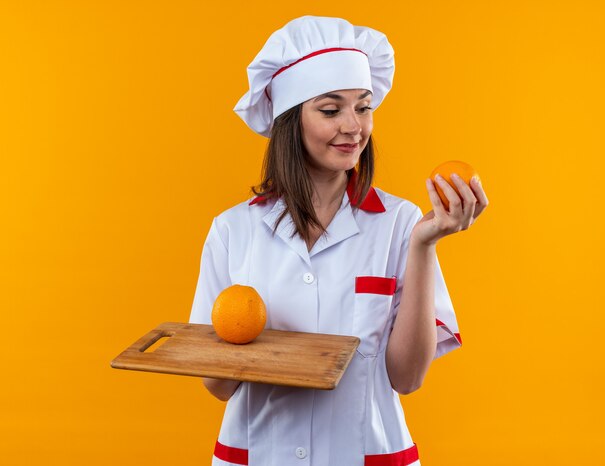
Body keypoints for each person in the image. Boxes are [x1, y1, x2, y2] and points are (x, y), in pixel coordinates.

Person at [189, 15, 488, 466]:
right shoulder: (233, 230)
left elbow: (406, 378)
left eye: (363, 107)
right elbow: (218, 386)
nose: (354, 127)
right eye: (331, 110)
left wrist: (424, 245)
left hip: (368, 454)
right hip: (257, 456)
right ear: (292, 121)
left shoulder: (401, 223)